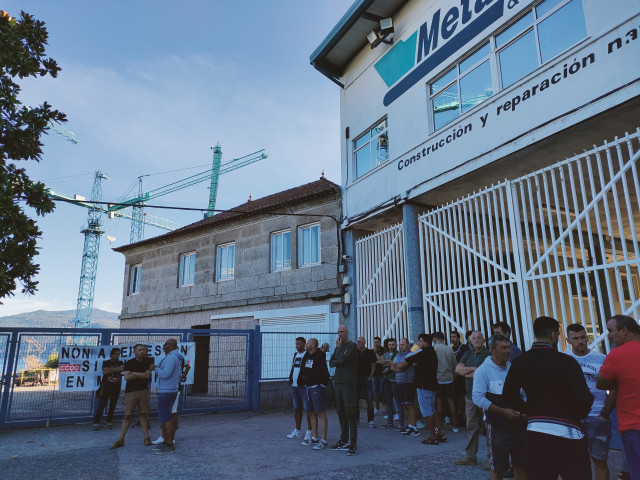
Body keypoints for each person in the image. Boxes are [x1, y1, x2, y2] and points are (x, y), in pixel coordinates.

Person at [503, 316, 593, 479]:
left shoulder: (520, 361)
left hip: (536, 430)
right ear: (553, 336)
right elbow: (585, 397)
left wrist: (528, 411)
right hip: (568, 431)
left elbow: (508, 395)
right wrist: (574, 416)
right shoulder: (567, 362)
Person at [472, 334, 527, 480]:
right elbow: (477, 398)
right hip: (498, 426)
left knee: (522, 466)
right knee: (498, 468)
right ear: (492, 349)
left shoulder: (514, 369)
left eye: (508, 347)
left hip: (519, 425)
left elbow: (523, 395)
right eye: (503, 348)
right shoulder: (483, 371)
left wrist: (526, 412)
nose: (507, 351)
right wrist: (503, 412)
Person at [565, 323, 616, 480]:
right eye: (576, 338)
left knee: (600, 461)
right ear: (568, 340)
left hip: (597, 416)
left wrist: (605, 414)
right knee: (575, 462)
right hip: (572, 419)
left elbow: (614, 388)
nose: (580, 341)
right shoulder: (563, 359)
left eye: (583, 337)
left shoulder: (602, 359)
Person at [596, 315, 640, 480]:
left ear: (624, 330)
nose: (608, 335)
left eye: (610, 330)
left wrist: (620, 382)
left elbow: (600, 382)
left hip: (633, 426)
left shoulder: (618, 354)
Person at [454, 330, 491, 466]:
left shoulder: (489, 355)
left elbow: (483, 374)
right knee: (471, 426)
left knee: (489, 428)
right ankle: (470, 456)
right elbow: (458, 370)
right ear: (470, 341)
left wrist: (468, 373)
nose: (476, 340)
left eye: (479, 338)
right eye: (473, 338)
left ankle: (491, 458)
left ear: (484, 340)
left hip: (485, 397)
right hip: (470, 396)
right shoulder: (467, 354)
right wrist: (474, 368)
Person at [110, 344, 154, 449]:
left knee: (143, 415)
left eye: (143, 350)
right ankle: (121, 439)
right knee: (128, 415)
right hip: (131, 392)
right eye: (139, 350)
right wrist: (140, 374)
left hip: (143, 391)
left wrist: (134, 373)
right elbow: (127, 377)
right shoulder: (129, 362)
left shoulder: (149, 361)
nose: (142, 351)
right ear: (134, 352)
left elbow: (147, 375)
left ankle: (146, 438)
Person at [401, 333, 440, 444]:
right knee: (432, 410)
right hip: (431, 385)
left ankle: (432, 436)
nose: (418, 343)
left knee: (427, 412)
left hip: (424, 386)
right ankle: (439, 433)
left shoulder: (422, 353)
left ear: (423, 341)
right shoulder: (432, 352)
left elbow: (407, 359)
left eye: (419, 341)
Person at [329, 325, 358, 456]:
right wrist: (338, 353)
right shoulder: (338, 347)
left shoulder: (351, 346)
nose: (340, 334)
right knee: (340, 411)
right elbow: (332, 362)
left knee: (350, 412)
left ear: (347, 333)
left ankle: (352, 442)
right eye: (338, 332)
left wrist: (339, 350)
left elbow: (341, 360)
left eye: (342, 332)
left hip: (348, 383)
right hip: (338, 382)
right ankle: (343, 439)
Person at [149, 338, 182, 455]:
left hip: (166, 391)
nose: (164, 345)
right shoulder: (172, 358)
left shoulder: (171, 358)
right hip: (167, 390)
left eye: (167, 344)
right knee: (164, 418)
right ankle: (165, 442)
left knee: (166, 418)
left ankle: (169, 444)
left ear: (172, 345)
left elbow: (165, 374)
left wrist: (155, 368)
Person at [300, 337, 330, 450]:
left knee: (320, 413)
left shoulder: (319, 356)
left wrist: (322, 385)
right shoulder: (307, 356)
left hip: (317, 388)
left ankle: (324, 440)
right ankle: (314, 437)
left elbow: (325, 373)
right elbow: (303, 369)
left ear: (313, 345)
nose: (306, 344)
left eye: (307, 343)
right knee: (311, 413)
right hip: (308, 388)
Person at [390, 338, 420, 437]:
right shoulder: (398, 355)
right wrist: (397, 367)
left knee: (410, 405)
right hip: (399, 383)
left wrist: (397, 367)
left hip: (408, 383)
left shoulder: (410, 354)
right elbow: (392, 368)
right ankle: (410, 426)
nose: (400, 346)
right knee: (405, 406)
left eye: (402, 344)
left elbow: (401, 366)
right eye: (400, 345)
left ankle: (414, 427)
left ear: (408, 345)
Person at [433, 332, 459, 433]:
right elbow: (454, 365)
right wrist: (453, 376)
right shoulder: (449, 349)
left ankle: (439, 427)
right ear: (443, 339)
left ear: (435, 339)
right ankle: (455, 426)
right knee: (451, 401)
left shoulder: (433, 349)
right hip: (449, 378)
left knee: (438, 403)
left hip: (438, 379)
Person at [287, 337, 312, 441]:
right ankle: (297, 430)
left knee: (308, 409)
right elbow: (294, 368)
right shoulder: (295, 355)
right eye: (296, 344)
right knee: (297, 409)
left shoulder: (308, 355)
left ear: (304, 344)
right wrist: (291, 378)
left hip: (303, 387)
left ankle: (309, 431)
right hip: (294, 386)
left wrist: (305, 381)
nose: (297, 346)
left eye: (299, 344)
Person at [93, 347, 124, 430]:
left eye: (119, 354)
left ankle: (109, 422)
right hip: (106, 387)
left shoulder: (121, 362)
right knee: (102, 405)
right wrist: (116, 370)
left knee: (113, 405)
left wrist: (111, 369)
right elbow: (105, 371)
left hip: (116, 387)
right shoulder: (106, 362)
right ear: (111, 355)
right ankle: (96, 423)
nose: (117, 356)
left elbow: (122, 369)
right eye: (116, 354)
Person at [377, 338, 403, 429]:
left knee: (397, 401)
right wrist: (389, 362)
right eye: (389, 345)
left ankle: (401, 423)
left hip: (395, 380)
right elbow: (379, 361)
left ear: (396, 345)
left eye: (393, 345)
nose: (391, 346)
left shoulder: (399, 354)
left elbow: (395, 364)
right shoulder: (386, 354)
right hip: (386, 379)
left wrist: (386, 362)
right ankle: (389, 422)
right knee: (389, 401)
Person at [356, 336, 376, 428]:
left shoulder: (370, 353)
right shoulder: (355, 353)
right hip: (356, 379)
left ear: (364, 342)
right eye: (357, 341)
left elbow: (373, 366)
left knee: (369, 401)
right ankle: (356, 420)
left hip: (366, 379)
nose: (358, 343)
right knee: (355, 400)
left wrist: (370, 377)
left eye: (360, 341)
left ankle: (371, 420)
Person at [450, 330, 469, 426]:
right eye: (451, 337)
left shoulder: (464, 348)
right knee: (456, 398)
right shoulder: (452, 349)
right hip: (454, 377)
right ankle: (459, 418)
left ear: (458, 338)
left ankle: (465, 418)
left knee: (463, 398)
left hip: (462, 377)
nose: (452, 338)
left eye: (454, 336)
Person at [372, 336, 384, 415]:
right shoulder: (371, 351)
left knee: (382, 391)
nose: (376, 344)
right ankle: (377, 408)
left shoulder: (383, 350)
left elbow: (380, 360)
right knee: (375, 392)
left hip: (382, 374)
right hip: (374, 374)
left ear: (380, 343)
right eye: (374, 342)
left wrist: (376, 353)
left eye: (377, 342)